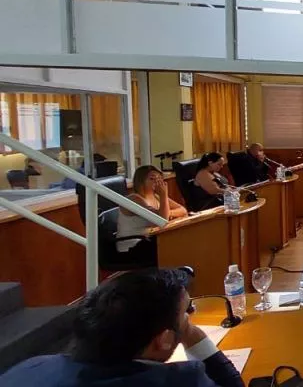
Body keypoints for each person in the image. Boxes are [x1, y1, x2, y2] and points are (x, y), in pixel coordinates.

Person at [0, 268, 244, 387]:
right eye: (186, 311)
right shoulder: (180, 380)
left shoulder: (28, 369)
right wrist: (191, 333)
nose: (190, 315)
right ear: (163, 339)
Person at [117, 165, 188, 258]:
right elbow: (162, 220)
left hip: (150, 240)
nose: (157, 182)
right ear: (141, 181)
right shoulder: (134, 199)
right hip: (133, 245)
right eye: (152, 179)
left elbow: (183, 210)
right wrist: (163, 196)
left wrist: (169, 213)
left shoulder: (156, 196)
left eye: (159, 178)